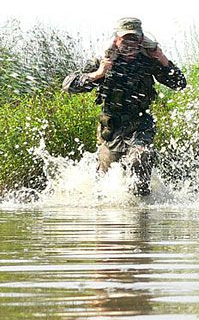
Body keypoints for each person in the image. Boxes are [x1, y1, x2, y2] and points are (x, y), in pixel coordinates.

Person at [62, 17, 187, 196]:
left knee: (141, 157)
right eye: (125, 39)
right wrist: (99, 74)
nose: (129, 44)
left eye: (134, 39)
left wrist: (161, 58)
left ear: (141, 41)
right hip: (111, 129)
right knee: (105, 183)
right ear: (116, 40)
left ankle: (140, 209)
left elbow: (180, 83)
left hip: (140, 126)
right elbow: (69, 85)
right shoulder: (104, 61)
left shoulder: (148, 61)